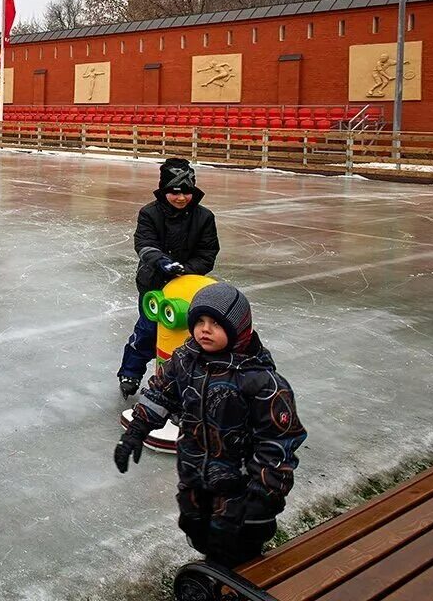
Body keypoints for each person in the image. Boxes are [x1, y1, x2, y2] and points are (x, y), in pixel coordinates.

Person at [115, 282, 306, 569]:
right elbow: (160, 394)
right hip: (194, 477)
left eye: (215, 323)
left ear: (238, 328)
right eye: (200, 321)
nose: (204, 329)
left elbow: (277, 444)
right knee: (197, 530)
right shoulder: (184, 360)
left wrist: (262, 498)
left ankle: (238, 577)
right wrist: (137, 430)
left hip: (241, 491)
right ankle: (215, 567)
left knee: (235, 549)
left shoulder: (261, 382)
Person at [118, 157, 220, 397]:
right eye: (174, 192)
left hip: (187, 288)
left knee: (186, 335)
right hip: (154, 284)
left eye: (186, 192)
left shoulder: (204, 217)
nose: (181, 198)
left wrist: (185, 270)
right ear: (164, 191)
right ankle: (130, 372)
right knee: (148, 330)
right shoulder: (149, 213)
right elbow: (144, 244)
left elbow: (208, 253)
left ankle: (185, 381)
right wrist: (163, 262)